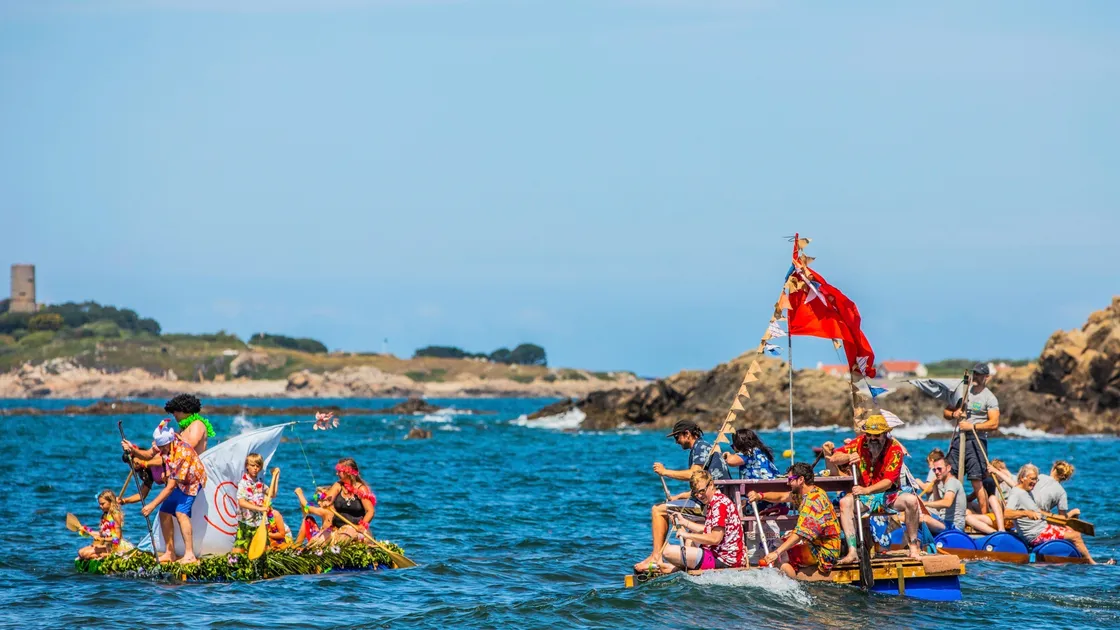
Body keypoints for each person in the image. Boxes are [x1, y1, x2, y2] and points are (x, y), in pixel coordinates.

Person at [635, 420, 732, 572]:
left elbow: (693, 474)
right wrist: (679, 496)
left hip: (712, 505)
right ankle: (676, 560)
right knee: (673, 509)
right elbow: (702, 484)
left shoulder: (700, 447)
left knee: (657, 510)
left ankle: (656, 557)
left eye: (677, 437)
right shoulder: (704, 447)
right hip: (715, 500)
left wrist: (665, 472)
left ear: (687, 434)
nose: (676, 442)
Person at [827, 414, 922, 561]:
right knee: (844, 502)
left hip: (889, 495)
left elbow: (888, 482)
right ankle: (852, 551)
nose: (872, 439)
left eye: (876, 435)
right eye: (869, 435)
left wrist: (866, 490)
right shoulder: (859, 442)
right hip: (864, 497)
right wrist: (848, 457)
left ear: (885, 434)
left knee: (912, 500)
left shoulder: (895, 449)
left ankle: (914, 547)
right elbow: (834, 457)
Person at [750, 462, 841, 578]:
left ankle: (793, 585)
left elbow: (800, 534)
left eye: (790, 479)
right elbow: (782, 497)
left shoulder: (812, 502)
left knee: (784, 555)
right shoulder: (810, 492)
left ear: (801, 480)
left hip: (825, 551)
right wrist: (760, 496)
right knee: (784, 541)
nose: (788, 483)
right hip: (817, 543)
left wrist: (776, 553)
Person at [140, 420, 207, 564]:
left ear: (169, 443)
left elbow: (170, 487)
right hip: (180, 482)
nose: (161, 451)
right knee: (164, 512)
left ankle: (189, 554)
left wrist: (151, 505)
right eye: (160, 448)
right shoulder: (168, 442)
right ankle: (170, 553)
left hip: (192, 481)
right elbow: (147, 455)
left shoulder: (181, 454)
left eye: (163, 448)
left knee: (180, 512)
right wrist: (131, 450)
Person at [654, 470, 745, 573]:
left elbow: (715, 539)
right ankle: (677, 569)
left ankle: (675, 569)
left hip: (724, 562)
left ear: (711, 484)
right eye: (696, 493)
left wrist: (686, 534)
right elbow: (707, 530)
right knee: (690, 540)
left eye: (702, 491)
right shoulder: (717, 500)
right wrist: (684, 522)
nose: (700, 496)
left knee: (667, 551)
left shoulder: (719, 506)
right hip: (720, 555)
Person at [1004, 464, 1095, 564]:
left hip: (1041, 528)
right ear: (1022, 478)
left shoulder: (1026, 491)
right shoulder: (1017, 493)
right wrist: (1026, 513)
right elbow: (1006, 514)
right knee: (1075, 536)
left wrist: (1051, 516)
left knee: (1069, 529)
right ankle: (1091, 563)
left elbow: (1037, 511)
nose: (1034, 482)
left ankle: (1078, 557)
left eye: (1036, 480)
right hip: (1036, 535)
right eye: (1032, 479)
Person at [944, 363, 999, 522]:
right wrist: (955, 414)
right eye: (975, 373)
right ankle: (950, 514)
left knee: (976, 480)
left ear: (986, 377)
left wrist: (972, 425)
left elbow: (994, 423)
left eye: (980, 374)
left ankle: (984, 518)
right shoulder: (964, 392)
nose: (976, 377)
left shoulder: (989, 398)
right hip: (959, 437)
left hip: (977, 439)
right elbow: (946, 412)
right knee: (950, 475)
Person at [121, 394, 215, 473]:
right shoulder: (181, 430)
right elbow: (149, 455)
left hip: (196, 478)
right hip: (180, 477)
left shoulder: (197, 424)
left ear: (185, 410)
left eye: (175, 411)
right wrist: (133, 450)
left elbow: (190, 446)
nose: (173, 414)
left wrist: (171, 442)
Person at [920, 455, 992, 534]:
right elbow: (939, 507)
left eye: (939, 469)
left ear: (948, 468)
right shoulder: (945, 483)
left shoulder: (952, 482)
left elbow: (947, 503)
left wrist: (926, 503)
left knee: (923, 518)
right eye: (934, 470)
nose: (936, 472)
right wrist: (935, 486)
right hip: (944, 521)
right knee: (917, 515)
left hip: (954, 526)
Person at [324, 458, 376, 542]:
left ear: (348, 472)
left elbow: (370, 511)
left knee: (344, 537)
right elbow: (329, 498)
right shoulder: (338, 485)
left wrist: (362, 526)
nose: (336, 473)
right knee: (317, 541)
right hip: (336, 528)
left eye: (339, 471)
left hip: (354, 529)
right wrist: (325, 501)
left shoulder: (361, 489)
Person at [233, 453, 273, 553]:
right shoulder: (243, 483)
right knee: (239, 550)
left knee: (265, 549)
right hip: (246, 521)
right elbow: (241, 502)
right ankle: (232, 565)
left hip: (260, 522)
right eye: (252, 465)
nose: (255, 468)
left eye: (258, 466)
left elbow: (272, 493)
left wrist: (275, 477)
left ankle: (263, 567)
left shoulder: (260, 483)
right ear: (247, 466)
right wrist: (260, 508)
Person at [78, 490, 125, 560]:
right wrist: (87, 530)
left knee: (85, 554)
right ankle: (102, 555)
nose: (100, 506)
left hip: (115, 547)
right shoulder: (105, 515)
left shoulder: (116, 515)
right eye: (99, 504)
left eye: (103, 504)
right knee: (80, 552)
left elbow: (117, 539)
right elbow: (102, 533)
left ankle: (108, 555)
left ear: (111, 502)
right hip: (107, 545)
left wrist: (103, 539)